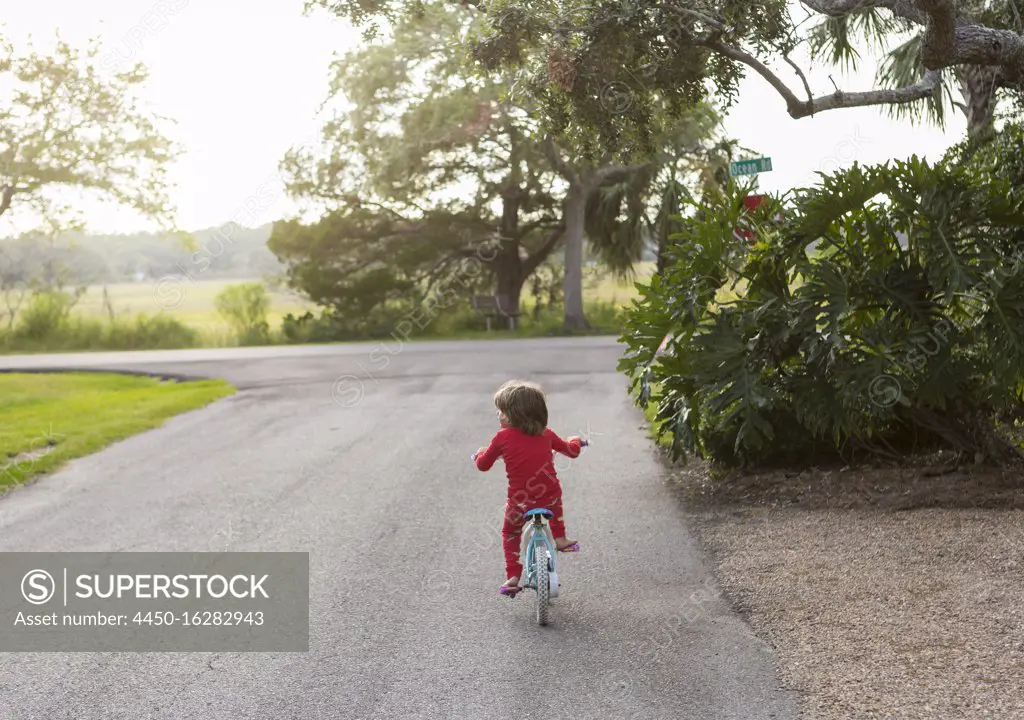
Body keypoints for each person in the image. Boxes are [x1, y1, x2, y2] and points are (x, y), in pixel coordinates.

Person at [472, 380, 587, 596]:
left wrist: (478, 454)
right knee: (555, 497)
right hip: (549, 497)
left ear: (510, 415)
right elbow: (571, 451)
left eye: (501, 411)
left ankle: (514, 576)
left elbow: (483, 465)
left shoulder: (501, 438)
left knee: (510, 532)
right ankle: (560, 538)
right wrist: (576, 441)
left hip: (520, 501)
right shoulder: (547, 434)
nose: (498, 415)